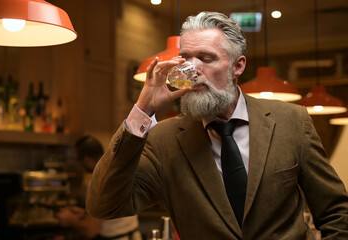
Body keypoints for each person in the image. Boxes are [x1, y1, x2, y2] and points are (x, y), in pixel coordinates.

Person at [86, 11, 348, 239]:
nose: (192, 69)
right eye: (185, 58)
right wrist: (143, 111)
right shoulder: (163, 139)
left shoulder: (292, 121)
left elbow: (337, 212)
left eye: (207, 58)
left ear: (238, 66)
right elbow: (104, 205)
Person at [56, 136, 142, 240]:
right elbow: (108, 213)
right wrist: (84, 213)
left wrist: (70, 220)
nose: (79, 164)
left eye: (79, 159)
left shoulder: (100, 180)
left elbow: (90, 230)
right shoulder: (114, 169)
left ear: (86, 159)